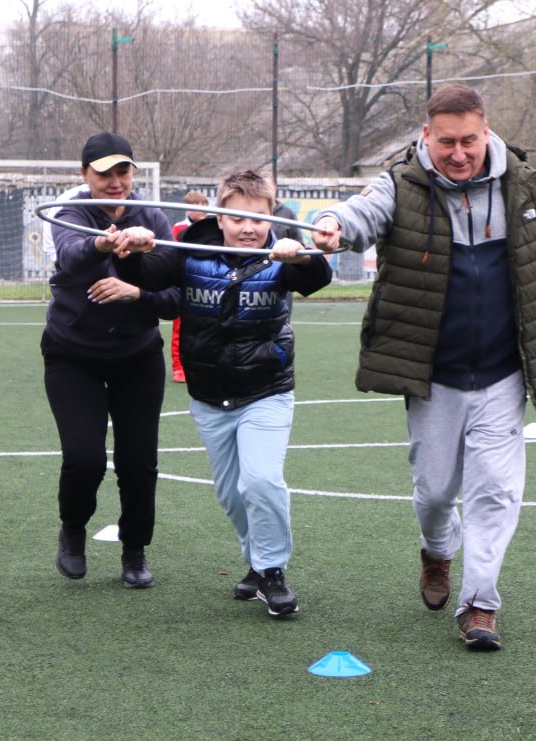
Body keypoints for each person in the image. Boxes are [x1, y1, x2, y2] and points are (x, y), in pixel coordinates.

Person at [310, 84, 536, 651]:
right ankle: (436, 552)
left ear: (487, 132)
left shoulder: (524, 187)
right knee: (434, 493)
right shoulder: (402, 184)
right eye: (447, 141)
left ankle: (480, 604)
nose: (459, 153)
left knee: (495, 492)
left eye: (469, 141)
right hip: (434, 375)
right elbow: (361, 213)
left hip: (505, 373)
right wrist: (333, 223)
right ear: (427, 136)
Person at [94, 170, 333, 618]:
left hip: (267, 390)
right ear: (219, 218)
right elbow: (150, 277)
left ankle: (273, 572)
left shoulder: (282, 253)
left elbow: (317, 278)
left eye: (259, 219)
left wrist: (301, 258)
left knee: (261, 481)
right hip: (210, 395)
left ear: (272, 218)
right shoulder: (191, 251)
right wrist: (134, 249)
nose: (248, 228)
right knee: (232, 495)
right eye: (238, 218)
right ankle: (257, 564)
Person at [42, 131, 174, 588]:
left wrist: (136, 279)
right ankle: (73, 529)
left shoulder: (153, 216)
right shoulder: (73, 213)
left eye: (123, 172)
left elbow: (168, 291)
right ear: (85, 175)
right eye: (104, 174)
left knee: (139, 463)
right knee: (85, 458)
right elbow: (71, 256)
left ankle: (134, 550)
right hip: (72, 354)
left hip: (136, 356)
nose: (115, 182)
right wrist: (103, 244)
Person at [169, 190, 212, 383]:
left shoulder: (215, 226)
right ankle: (178, 367)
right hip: (183, 282)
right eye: (196, 206)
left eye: (203, 205)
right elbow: (172, 253)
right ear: (188, 208)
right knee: (179, 325)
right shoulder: (178, 228)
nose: (201, 210)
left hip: (207, 283)